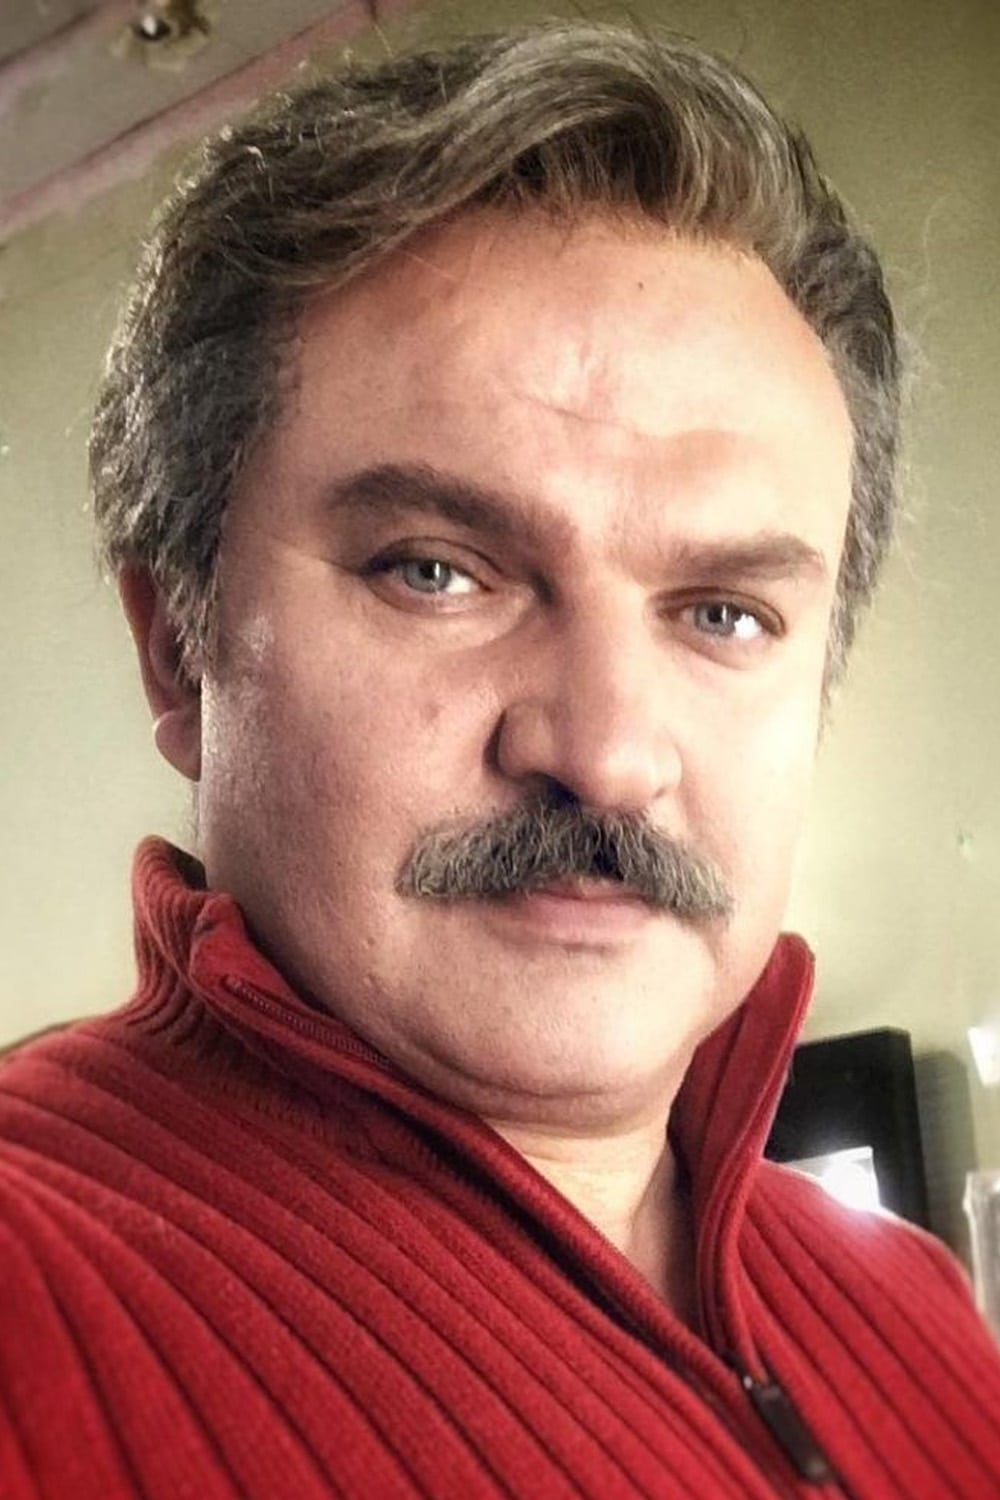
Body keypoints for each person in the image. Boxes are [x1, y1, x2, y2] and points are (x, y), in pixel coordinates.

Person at [1, 19, 998, 1499]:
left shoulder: (917, 1310)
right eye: (435, 572)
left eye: (724, 611)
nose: (606, 753)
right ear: (178, 647)